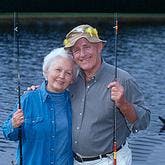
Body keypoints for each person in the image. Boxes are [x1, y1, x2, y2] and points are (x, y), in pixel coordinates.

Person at [63, 24, 151, 165]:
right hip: (73, 160)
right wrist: (38, 91)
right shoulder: (69, 78)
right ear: (72, 55)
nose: (82, 54)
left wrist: (123, 104)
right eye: (76, 50)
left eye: (86, 47)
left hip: (110, 160)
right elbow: (52, 92)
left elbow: (144, 122)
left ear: (99, 47)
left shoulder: (123, 79)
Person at [2, 47, 79, 165]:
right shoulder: (28, 99)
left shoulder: (73, 101)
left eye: (68, 73)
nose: (62, 76)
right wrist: (14, 124)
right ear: (46, 71)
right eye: (58, 70)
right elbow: (8, 134)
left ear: (72, 79)